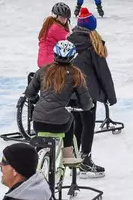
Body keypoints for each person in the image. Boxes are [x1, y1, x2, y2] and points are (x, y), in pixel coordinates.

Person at [25, 40, 92, 168]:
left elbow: (29, 93)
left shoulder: (43, 71)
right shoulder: (76, 74)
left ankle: (37, 159)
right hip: (60, 123)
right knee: (70, 119)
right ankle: (67, 155)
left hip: (38, 120)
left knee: (41, 132)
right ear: (72, 57)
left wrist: (37, 102)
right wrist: (87, 107)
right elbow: (85, 102)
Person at [67, 8, 115, 177]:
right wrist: (110, 95)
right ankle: (85, 160)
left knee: (77, 124)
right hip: (87, 93)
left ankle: (73, 158)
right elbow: (102, 72)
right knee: (88, 125)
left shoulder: (68, 41)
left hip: (69, 92)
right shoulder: (93, 44)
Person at [38, 3, 71, 68]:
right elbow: (70, 40)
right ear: (55, 16)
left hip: (43, 60)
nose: (64, 20)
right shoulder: (55, 27)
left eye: (65, 18)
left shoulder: (49, 24)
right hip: (50, 61)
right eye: (61, 17)